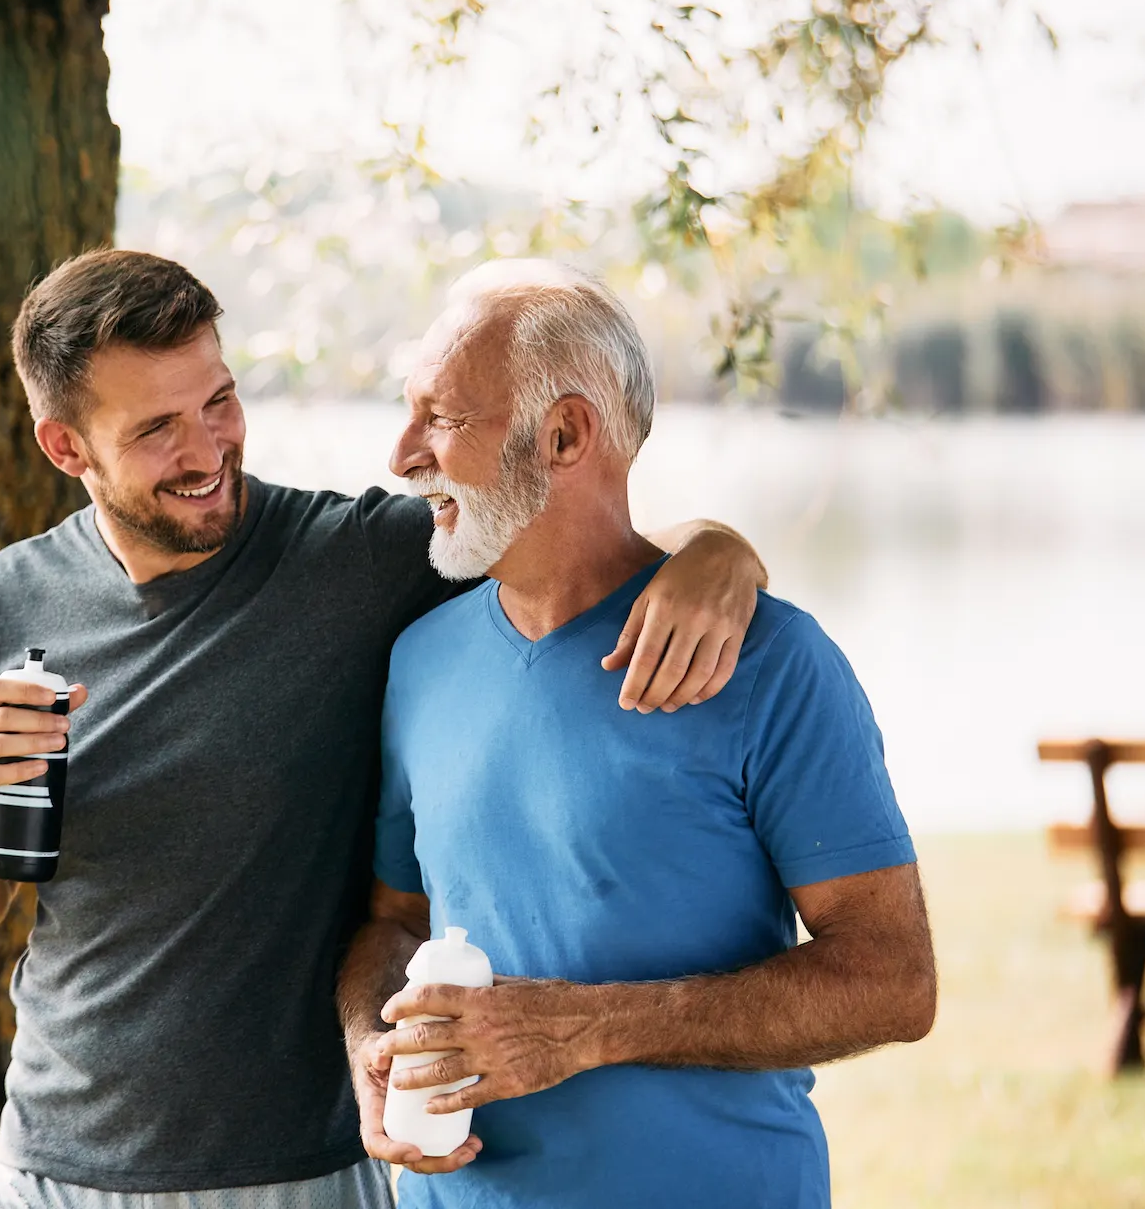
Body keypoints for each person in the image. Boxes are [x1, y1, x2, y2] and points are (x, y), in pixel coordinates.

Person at [0, 249, 770, 1209]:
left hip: (298, 1174)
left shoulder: (352, 562)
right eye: (156, 429)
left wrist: (720, 551)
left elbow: (580, 530)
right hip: (51, 1171)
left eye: (218, 401)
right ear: (67, 448)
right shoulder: (16, 598)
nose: (207, 448)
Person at [338, 259, 937, 1208]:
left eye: (443, 418)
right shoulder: (420, 658)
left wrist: (586, 1028)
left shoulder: (774, 665)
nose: (402, 450)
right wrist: (370, 1041)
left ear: (565, 432)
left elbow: (893, 980)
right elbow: (396, 921)